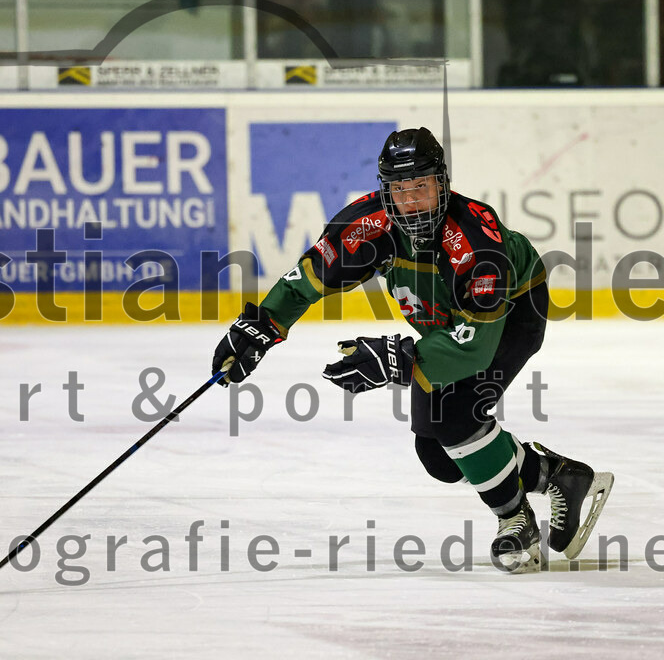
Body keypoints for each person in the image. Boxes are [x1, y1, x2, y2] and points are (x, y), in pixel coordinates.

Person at [211, 127, 613, 574]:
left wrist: (399, 360)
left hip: (512, 312)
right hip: (444, 324)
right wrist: (262, 325)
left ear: (442, 183)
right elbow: (308, 278)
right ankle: (559, 476)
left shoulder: (475, 243)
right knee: (438, 455)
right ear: (385, 191)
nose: (412, 201)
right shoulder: (366, 225)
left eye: (421, 187)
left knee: (457, 417)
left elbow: (476, 345)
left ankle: (515, 521)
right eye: (400, 190)